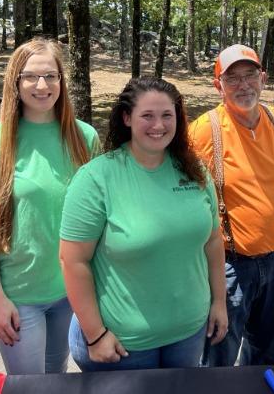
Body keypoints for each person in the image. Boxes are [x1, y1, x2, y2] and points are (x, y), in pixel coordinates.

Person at [59, 76, 227, 371]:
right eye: (147, 115)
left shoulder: (196, 171)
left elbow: (213, 242)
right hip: (122, 343)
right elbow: (73, 261)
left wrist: (219, 302)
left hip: (189, 333)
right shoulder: (96, 178)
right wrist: (95, 334)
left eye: (167, 115)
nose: (158, 125)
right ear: (127, 118)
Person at [0, 38, 99, 374]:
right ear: (15, 82)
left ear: (61, 81)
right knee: (28, 386)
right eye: (31, 77)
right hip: (19, 294)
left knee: (57, 376)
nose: (42, 86)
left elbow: (99, 219)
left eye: (51, 76)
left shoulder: (85, 138)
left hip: (72, 291)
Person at [189, 44, 274, 366]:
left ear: (263, 78)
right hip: (228, 267)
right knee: (217, 360)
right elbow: (185, 199)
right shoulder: (204, 131)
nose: (243, 85)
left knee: (266, 358)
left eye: (250, 75)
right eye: (232, 78)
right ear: (218, 85)